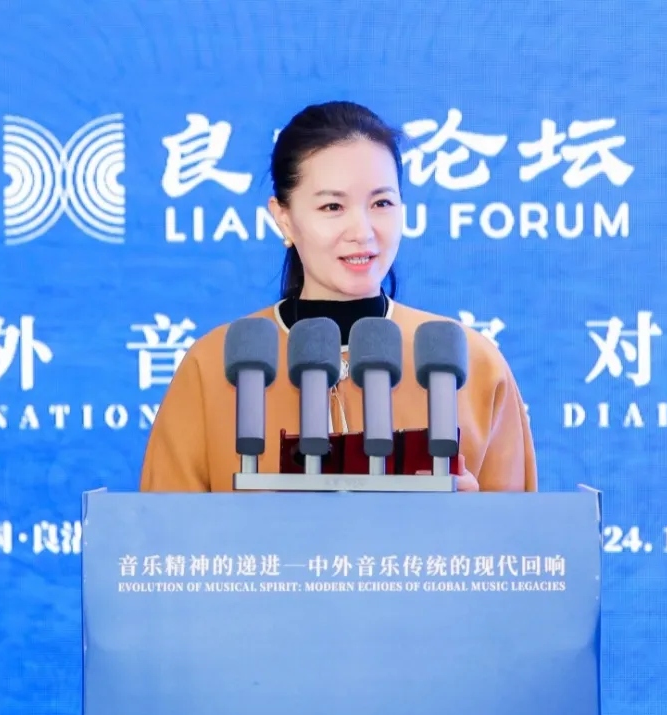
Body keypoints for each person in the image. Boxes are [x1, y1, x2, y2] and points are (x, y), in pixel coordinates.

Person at [139, 101, 538, 494]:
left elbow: (519, 532)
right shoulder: (216, 365)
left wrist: (472, 520)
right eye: (332, 206)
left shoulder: (470, 363)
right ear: (283, 218)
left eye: (381, 203)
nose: (362, 231)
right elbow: (163, 531)